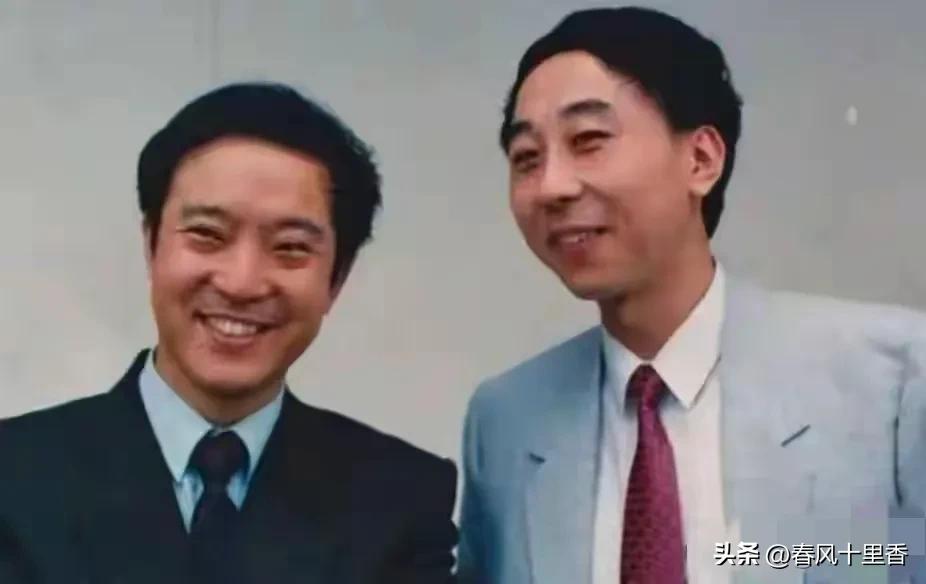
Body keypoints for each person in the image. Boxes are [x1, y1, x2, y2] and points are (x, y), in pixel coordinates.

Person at [457, 7, 926, 583]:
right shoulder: (506, 421)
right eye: (526, 158)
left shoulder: (894, 380)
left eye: (589, 140)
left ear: (701, 159)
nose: (551, 186)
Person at [0, 83, 457, 584]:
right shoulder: (15, 476)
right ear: (151, 245)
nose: (241, 282)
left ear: (337, 279)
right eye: (207, 235)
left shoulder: (400, 500)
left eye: (290, 247)